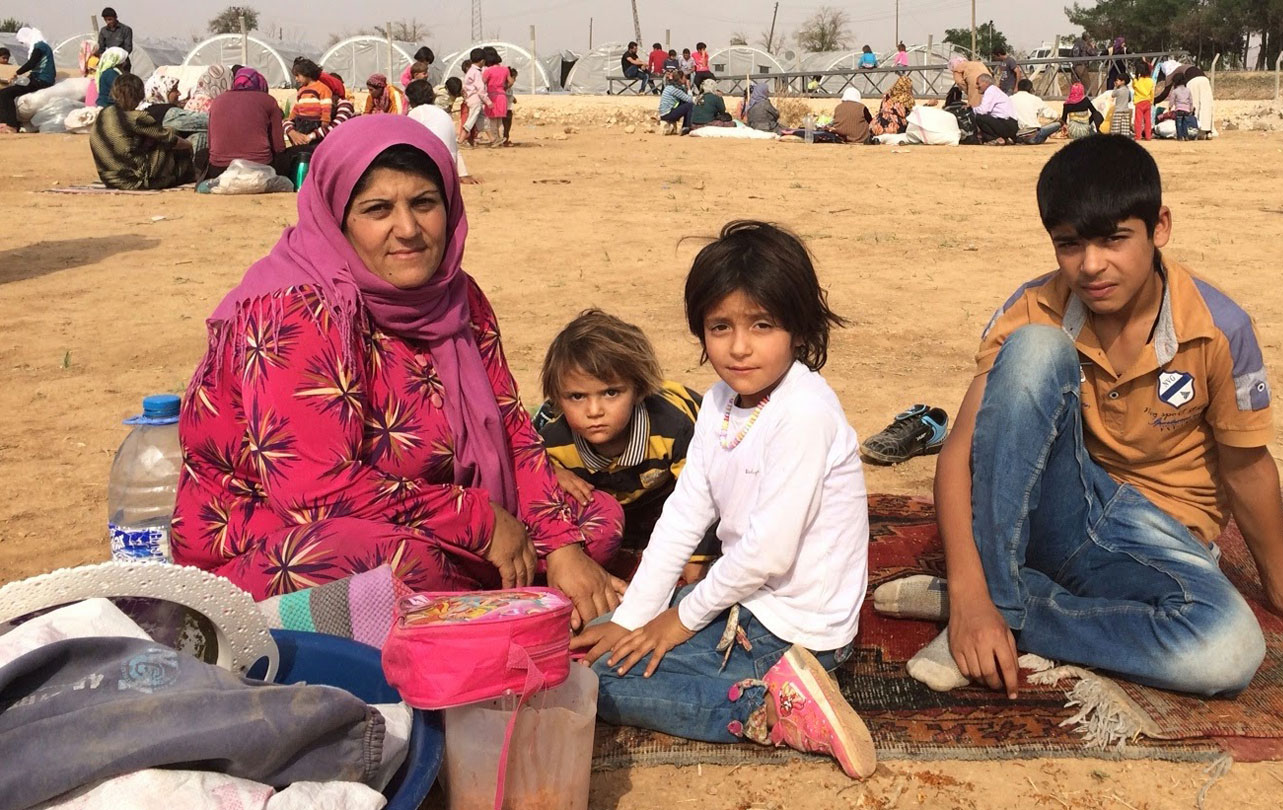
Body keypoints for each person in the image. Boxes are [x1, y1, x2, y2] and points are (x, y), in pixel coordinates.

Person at [903, 134, 1283, 701]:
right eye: (1069, 245)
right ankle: (988, 598)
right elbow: (961, 453)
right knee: (1036, 349)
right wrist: (973, 595)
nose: (1091, 266)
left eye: (1115, 240)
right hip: (1062, 511)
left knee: (1228, 648)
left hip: (1157, 540)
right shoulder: (1034, 308)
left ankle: (1008, 608)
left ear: (1159, 227)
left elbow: (1247, 468)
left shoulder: (1218, 327)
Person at [175, 116, 627, 609]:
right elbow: (313, 492)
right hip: (287, 538)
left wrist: (558, 542)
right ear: (338, 219)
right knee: (384, 562)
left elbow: (510, 425)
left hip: (433, 515)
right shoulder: (299, 310)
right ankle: (502, 604)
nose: (408, 230)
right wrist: (483, 522)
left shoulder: (459, 298)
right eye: (378, 209)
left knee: (596, 519)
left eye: (424, 204)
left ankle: (491, 598)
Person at [571, 220, 875, 780]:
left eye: (761, 325)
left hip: (795, 629)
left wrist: (677, 621)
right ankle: (760, 685)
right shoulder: (719, 402)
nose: (738, 347)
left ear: (800, 329)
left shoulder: (804, 412)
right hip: (747, 602)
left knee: (589, 682)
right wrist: (637, 615)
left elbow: (766, 555)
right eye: (720, 326)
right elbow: (685, 513)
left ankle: (765, 707)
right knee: (591, 648)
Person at [536, 309, 718, 579]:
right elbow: (521, 471)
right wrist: (551, 473)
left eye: (611, 393)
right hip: (617, 505)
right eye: (576, 396)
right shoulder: (550, 440)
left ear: (638, 390)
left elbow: (703, 499)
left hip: (670, 491)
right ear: (556, 399)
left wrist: (696, 563)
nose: (594, 410)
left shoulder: (674, 428)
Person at [91, 73, 195, 190]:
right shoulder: (136, 118)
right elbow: (171, 139)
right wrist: (190, 145)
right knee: (171, 134)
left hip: (109, 179)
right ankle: (183, 174)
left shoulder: (103, 114)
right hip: (132, 181)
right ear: (140, 94)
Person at [203, 67, 284, 180]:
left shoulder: (218, 101)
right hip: (261, 169)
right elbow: (279, 146)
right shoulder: (269, 101)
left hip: (219, 170)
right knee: (292, 155)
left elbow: (211, 145)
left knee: (200, 155)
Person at [278, 72, 355, 176]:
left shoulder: (344, 105)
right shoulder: (312, 103)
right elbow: (288, 120)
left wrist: (309, 137)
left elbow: (336, 127)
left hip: (330, 150)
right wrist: (292, 132)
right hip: (310, 145)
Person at [406, 78, 475, 184]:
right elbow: (454, 149)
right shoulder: (443, 114)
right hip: (449, 167)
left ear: (412, 100)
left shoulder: (417, 112)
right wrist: (462, 173)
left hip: (431, 167)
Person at [0, 27, 53, 131]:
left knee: (6, 94)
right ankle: (4, 122)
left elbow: (31, 63)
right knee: (5, 92)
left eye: (23, 41)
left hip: (41, 80)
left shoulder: (39, 47)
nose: (24, 44)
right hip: (38, 78)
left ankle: (11, 125)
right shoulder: (42, 46)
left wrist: (16, 73)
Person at [288, 57, 335, 135]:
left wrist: (325, 120)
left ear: (306, 73)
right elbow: (297, 107)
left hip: (315, 123)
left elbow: (326, 106)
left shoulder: (322, 88)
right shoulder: (301, 90)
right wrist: (291, 118)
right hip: (301, 122)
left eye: (298, 76)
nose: (296, 79)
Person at [969, 74, 1020, 145]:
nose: (976, 87)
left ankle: (995, 138)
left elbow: (983, 111)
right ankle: (1006, 138)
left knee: (979, 117)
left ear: (986, 83)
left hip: (1006, 124)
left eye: (978, 83)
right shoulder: (996, 91)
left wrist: (971, 109)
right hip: (1011, 124)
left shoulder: (990, 91)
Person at [1009, 78, 1060, 144]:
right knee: (1058, 124)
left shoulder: (1010, 99)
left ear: (1018, 88)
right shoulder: (1035, 99)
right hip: (1034, 136)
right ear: (1030, 89)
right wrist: (1060, 120)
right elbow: (1053, 115)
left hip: (1017, 136)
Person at [481, 48, 510, 148]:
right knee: (499, 121)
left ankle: (495, 139)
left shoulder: (488, 71)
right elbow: (510, 81)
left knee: (492, 120)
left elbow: (482, 83)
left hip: (492, 97)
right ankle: (500, 138)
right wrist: (503, 88)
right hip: (502, 96)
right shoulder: (505, 69)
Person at [462, 49, 488, 147]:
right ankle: (461, 139)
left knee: (483, 120)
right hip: (476, 99)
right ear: (482, 61)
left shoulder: (471, 71)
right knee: (471, 120)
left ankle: (493, 139)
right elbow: (480, 89)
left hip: (471, 98)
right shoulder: (476, 73)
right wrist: (488, 101)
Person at [657, 69, 694, 134]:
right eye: (684, 77)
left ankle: (685, 126)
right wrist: (688, 88)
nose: (686, 79)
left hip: (664, 113)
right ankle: (687, 126)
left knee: (685, 103)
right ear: (680, 79)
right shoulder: (675, 90)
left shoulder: (670, 87)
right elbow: (690, 100)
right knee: (690, 105)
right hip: (667, 114)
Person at [1169, 73, 1197, 141]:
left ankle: (1180, 137)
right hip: (1186, 110)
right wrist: (1191, 108)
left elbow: (1172, 100)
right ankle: (1186, 136)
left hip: (1179, 109)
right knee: (1185, 124)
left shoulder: (1175, 91)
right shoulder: (1188, 90)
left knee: (1178, 124)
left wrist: (1170, 107)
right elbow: (1191, 100)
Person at [1131, 62, 1154, 141]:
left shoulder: (1136, 80)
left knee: (1138, 120)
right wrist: (1151, 101)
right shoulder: (1150, 81)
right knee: (1148, 120)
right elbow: (1152, 92)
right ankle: (1148, 136)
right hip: (1147, 101)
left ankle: (1138, 136)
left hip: (1139, 102)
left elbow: (1133, 87)